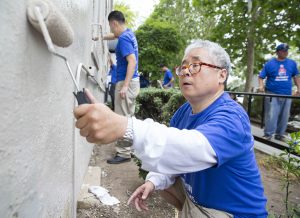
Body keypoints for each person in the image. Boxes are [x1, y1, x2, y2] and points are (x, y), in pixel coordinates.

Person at [74, 40, 268, 217]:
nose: (185, 71)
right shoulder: (184, 112)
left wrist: (124, 126)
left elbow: (193, 149)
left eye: (195, 65)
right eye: (182, 67)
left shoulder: (232, 116)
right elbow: (171, 156)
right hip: (198, 203)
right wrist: (153, 182)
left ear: (221, 74)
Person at [102, 10, 140, 164]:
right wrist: (100, 37)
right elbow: (114, 36)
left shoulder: (124, 39)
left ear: (114, 23)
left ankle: (123, 153)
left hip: (126, 82)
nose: (111, 30)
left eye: (111, 27)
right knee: (129, 119)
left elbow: (132, 61)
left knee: (122, 119)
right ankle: (129, 150)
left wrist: (124, 86)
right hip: (132, 82)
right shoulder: (128, 34)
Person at [258, 43, 300, 141]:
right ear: (277, 52)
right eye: (283, 50)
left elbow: (296, 77)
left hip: (287, 94)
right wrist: (261, 86)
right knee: (271, 114)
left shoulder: (292, 63)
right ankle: (268, 134)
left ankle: (280, 135)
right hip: (272, 93)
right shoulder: (270, 64)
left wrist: (299, 88)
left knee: (284, 115)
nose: (285, 52)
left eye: (286, 50)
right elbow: (261, 77)